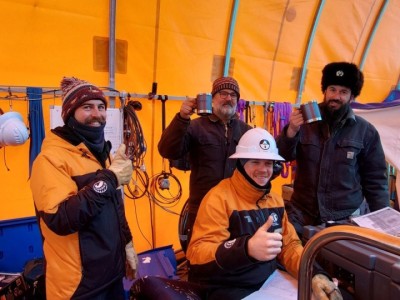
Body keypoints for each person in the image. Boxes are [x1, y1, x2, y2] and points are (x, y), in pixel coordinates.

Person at [186, 128, 342, 300]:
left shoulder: (275, 201)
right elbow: (197, 255)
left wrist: (314, 274)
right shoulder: (218, 198)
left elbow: (289, 246)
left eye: (268, 163)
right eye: (255, 162)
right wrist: (246, 249)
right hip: (226, 286)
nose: (263, 169)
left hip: (269, 282)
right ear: (241, 162)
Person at [30, 77, 138, 300]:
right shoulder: (50, 159)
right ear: (70, 114)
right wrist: (108, 180)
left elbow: (115, 208)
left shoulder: (103, 155)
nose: (96, 114)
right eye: (86, 107)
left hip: (111, 276)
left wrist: (126, 243)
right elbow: (60, 218)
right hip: (79, 287)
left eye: (101, 107)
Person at [276, 62, 389, 238]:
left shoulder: (366, 131)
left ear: (352, 96)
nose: (336, 96)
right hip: (301, 214)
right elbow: (280, 157)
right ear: (325, 91)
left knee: (335, 263)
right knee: (290, 259)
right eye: (332, 89)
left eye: (343, 92)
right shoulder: (304, 122)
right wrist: (291, 131)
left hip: (343, 219)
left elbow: (376, 181)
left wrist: (383, 225)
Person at [158, 76, 251, 251]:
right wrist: (182, 118)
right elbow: (167, 151)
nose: (228, 98)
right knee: (200, 259)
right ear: (213, 97)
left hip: (237, 211)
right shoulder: (194, 126)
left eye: (233, 95)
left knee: (233, 258)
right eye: (223, 93)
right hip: (201, 209)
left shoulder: (247, 131)